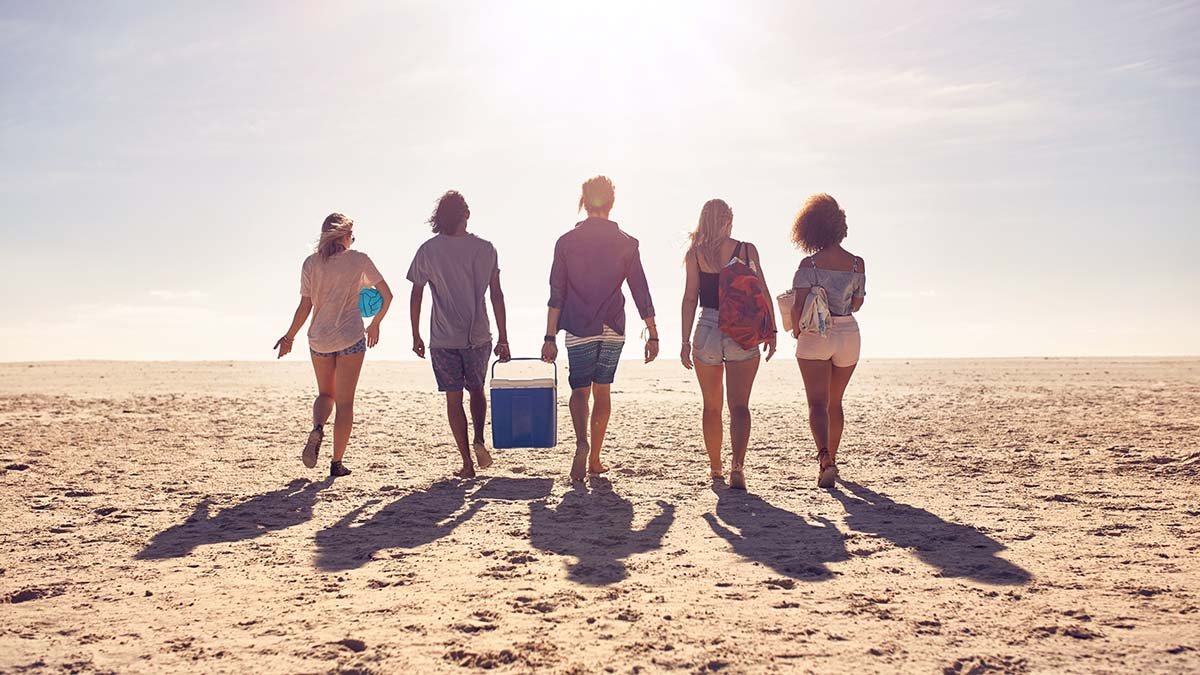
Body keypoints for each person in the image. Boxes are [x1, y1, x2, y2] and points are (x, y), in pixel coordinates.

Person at [541, 176, 658, 482]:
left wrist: (549, 336)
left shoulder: (566, 242)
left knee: (579, 390)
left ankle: (582, 442)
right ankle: (594, 458)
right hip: (612, 325)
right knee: (602, 391)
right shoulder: (627, 242)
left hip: (579, 325)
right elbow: (639, 289)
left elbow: (557, 292)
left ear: (584, 200)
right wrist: (653, 331)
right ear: (611, 201)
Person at [274, 213, 393, 478]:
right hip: (351, 337)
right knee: (345, 403)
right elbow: (388, 295)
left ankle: (317, 428)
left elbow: (305, 306)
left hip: (319, 339)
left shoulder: (311, 264)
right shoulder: (359, 260)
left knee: (325, 394)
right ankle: (336, 463)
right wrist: (375, 324)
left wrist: (289, 337)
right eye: (352, 235)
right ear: (345, 235)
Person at [408, 190, 511, 479]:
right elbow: (497, 295)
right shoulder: (486, 248)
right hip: (478, 335)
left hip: (442, 338)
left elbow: (416, 294)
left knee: (453, 398)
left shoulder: (428, 250)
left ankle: (466, 463)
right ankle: (479, 439)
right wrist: (503, 337)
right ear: (466, 215)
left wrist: (415, 334)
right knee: (476, 389)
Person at [680, 199, 777, 490]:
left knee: (711, 407)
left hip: (707, 327)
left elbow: (689, 298)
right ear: (727, 221)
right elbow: (761, 290)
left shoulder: (695, 254)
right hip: (741, 328)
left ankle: (715, 469)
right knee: (740, 406)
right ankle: (738, 467)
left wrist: (684, 340)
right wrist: (770, 329)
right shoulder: (747, 250)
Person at [790, 194, 866, 488]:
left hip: (816, 336)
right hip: (848, 333)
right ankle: (833, 457)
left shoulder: (808, 264)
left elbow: (798, 307)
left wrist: (798, 332)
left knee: (816, 404)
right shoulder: (857, 264)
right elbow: (857, 303)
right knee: (835, 402)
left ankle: (825, 459)